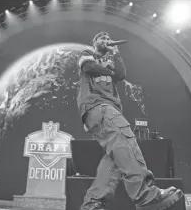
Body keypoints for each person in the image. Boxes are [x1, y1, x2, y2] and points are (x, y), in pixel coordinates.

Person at [76, 32, 183, 210]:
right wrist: (107, 66)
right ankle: (146, 197)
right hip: (99, 106)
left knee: (116, 157)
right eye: (101, 37)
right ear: (94, 42)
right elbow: (89, 68)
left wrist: (115, 53)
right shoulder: (87, 53)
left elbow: (121, 74)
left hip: (103, 112)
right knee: (126, 143)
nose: (106, 39)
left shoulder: (111, 60)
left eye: (107, 37)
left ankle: (93, 203)